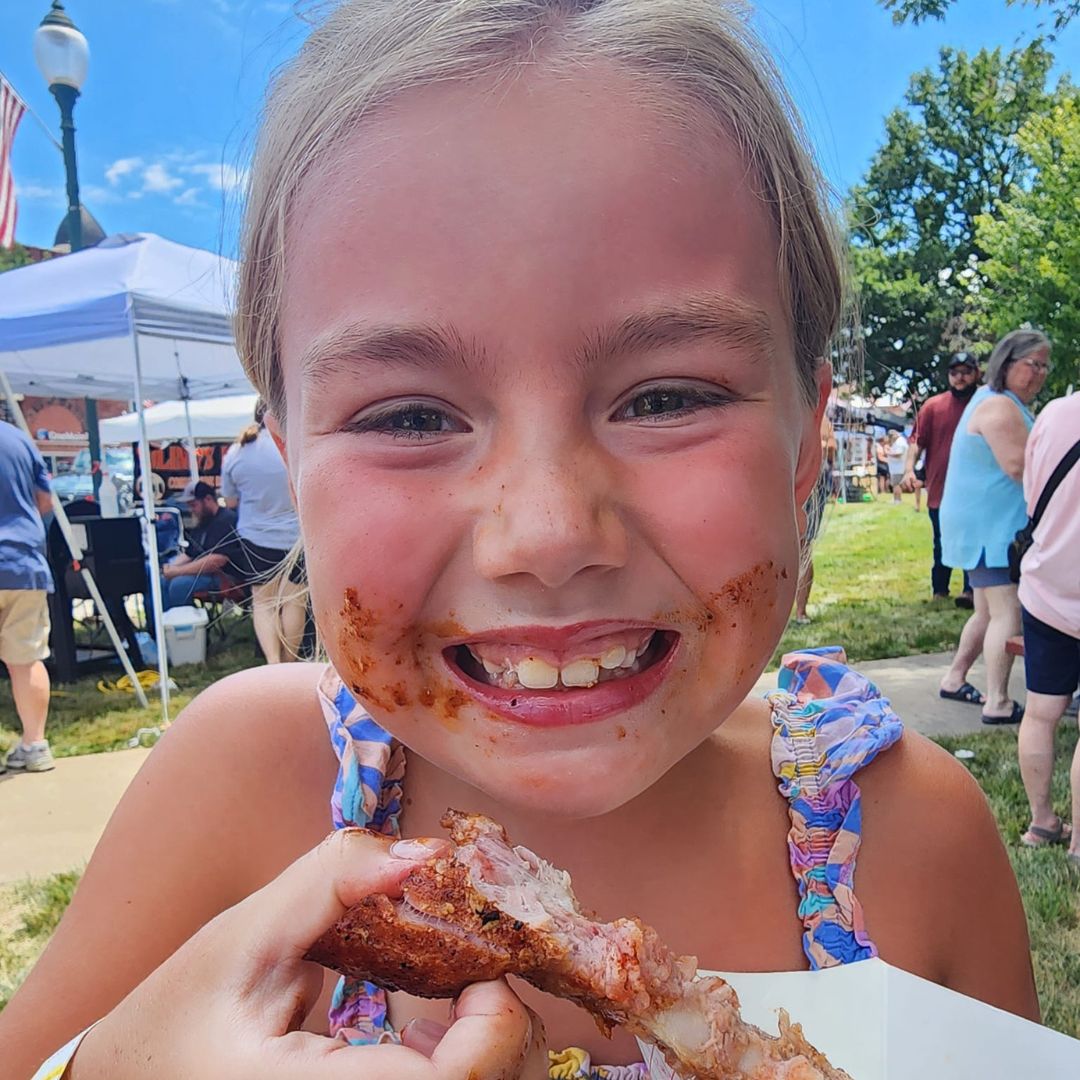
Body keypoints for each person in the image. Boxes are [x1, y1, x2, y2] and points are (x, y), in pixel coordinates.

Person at [6, 4, 1039, 1078]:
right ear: (288, 460)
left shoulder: (914, 841)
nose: (546, 533)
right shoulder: (238, 790)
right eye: (409, 417)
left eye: (668, 396)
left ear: (808, 440)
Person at [939, 330, 1050, 725]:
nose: (1039, 373)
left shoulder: (1000, 403)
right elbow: (1020, 467)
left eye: (1044, 365)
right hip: (992, 528)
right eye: (1032, 363)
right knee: (1008, 613)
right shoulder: (1000, 407)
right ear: (1007, 363)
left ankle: (954, 678)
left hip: (979, 524)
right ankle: (998, 701)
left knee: (986, 611)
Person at [1015, 391, 1080, 856]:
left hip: (1046, 585)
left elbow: (1031, 492)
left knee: (1040, 713)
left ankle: (1041, 824)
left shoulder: (1057, 413)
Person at [221, 400, 307, 663]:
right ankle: (290, 661)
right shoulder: (295, 445)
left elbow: (230, 501)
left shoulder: (237, 452)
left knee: (264, 602)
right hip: (296, 536)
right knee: (295, 601)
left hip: (256, 536)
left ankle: (273, 662)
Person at [0, 420, 56, 775]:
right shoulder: (20, 439)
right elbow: (46, 500)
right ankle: (34, 744)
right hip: (23, 562)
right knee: (27, 658)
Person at [903, 353, 980, 607]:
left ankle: (971, 590)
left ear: (976, 373)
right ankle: (940, 589)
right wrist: (908, 470)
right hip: (940, 488)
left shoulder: (984, 405)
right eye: (954, 372)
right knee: (941, 541)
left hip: (976, 490)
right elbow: (916, 442)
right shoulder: (933, 406)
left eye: (966, 371)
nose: (960, 377)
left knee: (973, 539)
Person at [159, 480, 244, 610]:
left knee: (179, 585)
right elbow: (189, 554)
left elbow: (217, 560)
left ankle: (186, 626)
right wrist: (170, 568)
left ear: (208, 499)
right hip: (206, 574)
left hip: (227, 578)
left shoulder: (227, 520)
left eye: (193, 505)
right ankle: (166, 625)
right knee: (162, 581)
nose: (191, 510)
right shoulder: (203, 521)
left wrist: (178, 571)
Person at [793, 413, 836, 624]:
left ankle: (800, 611)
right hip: (796, 477)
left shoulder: (817, 414)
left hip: (810, 479)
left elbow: (830, 448)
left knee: (802, 546)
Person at [885, 429, 908, 504]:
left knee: (896, 484)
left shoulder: (900, 442)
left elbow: (899, 454)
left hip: (898, 467)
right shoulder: (899, 441)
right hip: (896, 467)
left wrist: (888, 453)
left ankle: (897, 500)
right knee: (895, 484)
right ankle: (895, 498)